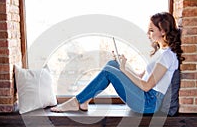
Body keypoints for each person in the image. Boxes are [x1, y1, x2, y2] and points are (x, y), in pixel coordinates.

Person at [50, 12, 184, 114]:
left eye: (151, 30)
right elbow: (140, 77)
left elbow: (146, 86)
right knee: (112, 64)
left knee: (109, 71)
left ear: (163, 31)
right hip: (145, 96)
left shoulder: (167, 57)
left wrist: (124, 71)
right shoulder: (160, 52)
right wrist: (123, 65)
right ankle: (84, 100)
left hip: (149, 103)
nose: (148, 33)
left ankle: (76, 101)